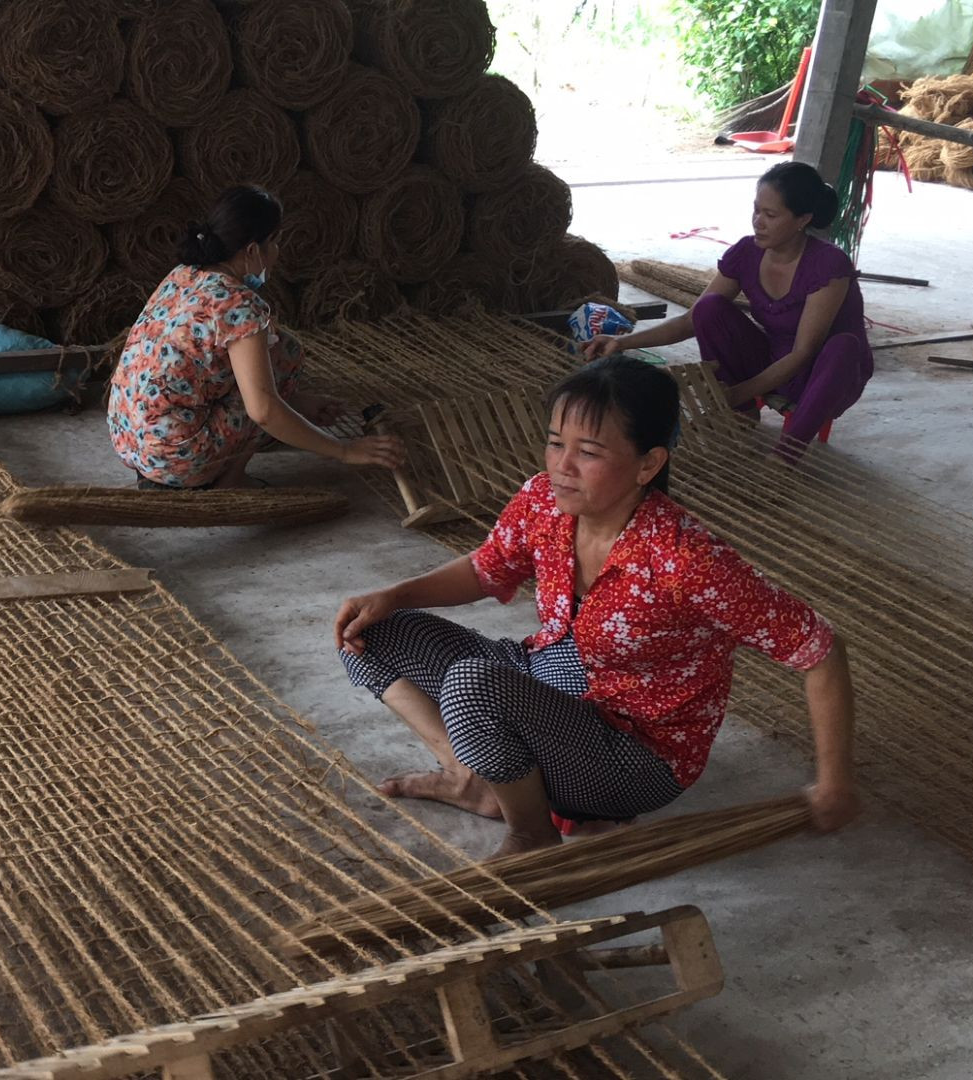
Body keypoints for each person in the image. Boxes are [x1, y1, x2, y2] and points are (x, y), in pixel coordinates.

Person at [333, 357, 860, 857]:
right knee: (366, 631)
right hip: (552, 677)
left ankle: (531, 833)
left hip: (633, 756)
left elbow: (818, 649)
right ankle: (473, 779)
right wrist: (393, 596)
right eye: (554, 443)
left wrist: (834, 785)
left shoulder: (687, 560)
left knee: (474, 686)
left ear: (648, 463)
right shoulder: (544, 501)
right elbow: (486, 568)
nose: (562, 467)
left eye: (588, 452)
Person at [107, 184, 404, 489]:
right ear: (251, 251)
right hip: (177, 459)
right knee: (280, 360)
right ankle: (231, 480)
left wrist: (297, 402)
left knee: (276, 350)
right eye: (273, 241)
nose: (277, 251)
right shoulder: (240, 306)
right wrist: (345, 450)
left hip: (128, 437)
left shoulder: (183, 274)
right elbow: (263, 412)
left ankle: (197, 459)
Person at [583, 162, 872, 452]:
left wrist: (735, 393)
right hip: (774, 358)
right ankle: (743, 413)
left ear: (803, 219)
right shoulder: (747, 252)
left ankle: (786, 455)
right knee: (710, 308)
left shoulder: (828, 265)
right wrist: (622, 342)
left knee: (844, 345)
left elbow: (803, 352)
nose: (758, 221)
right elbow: (691, 320)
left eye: (770, 215)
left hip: (825, 376)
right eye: (756, 210)